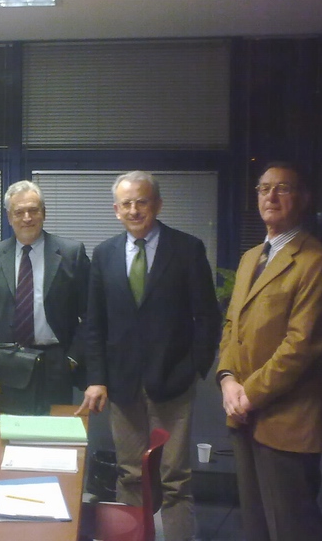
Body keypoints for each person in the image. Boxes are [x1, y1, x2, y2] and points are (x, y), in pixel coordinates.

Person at [77, 171, 221, 541]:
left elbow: (207, 315)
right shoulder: (104, 253)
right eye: (126, 203)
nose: (134, 209)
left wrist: (195, 368)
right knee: (130, 474)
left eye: (142, 201)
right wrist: (97, 377)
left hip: (173, 382)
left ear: (157, 204)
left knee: (175, 478)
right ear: (115, 210)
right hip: (122, 386)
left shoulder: (187, 249)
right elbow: (95, 323)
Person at [217, 162, 322, 541]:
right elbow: (232, 326)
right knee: (255, 526)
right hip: (244, 414)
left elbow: (300, 346)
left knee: (292, 527)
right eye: (264, 188)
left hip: (288, 419)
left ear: (303, 199)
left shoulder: (316, 262)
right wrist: (227, 379)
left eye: (282, 188)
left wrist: (248, 393)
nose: (270, 196)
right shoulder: (251, 257)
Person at [0, 180, 89, 405]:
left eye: (33, 210)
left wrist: (72, 359)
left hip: (55, 365)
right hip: (5, 364)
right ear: (9, 217)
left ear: (43, 213)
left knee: (50, 434)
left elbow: (90, 315)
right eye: (19, 212)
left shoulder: (70, 253)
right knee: (1, 431)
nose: (27, 218)